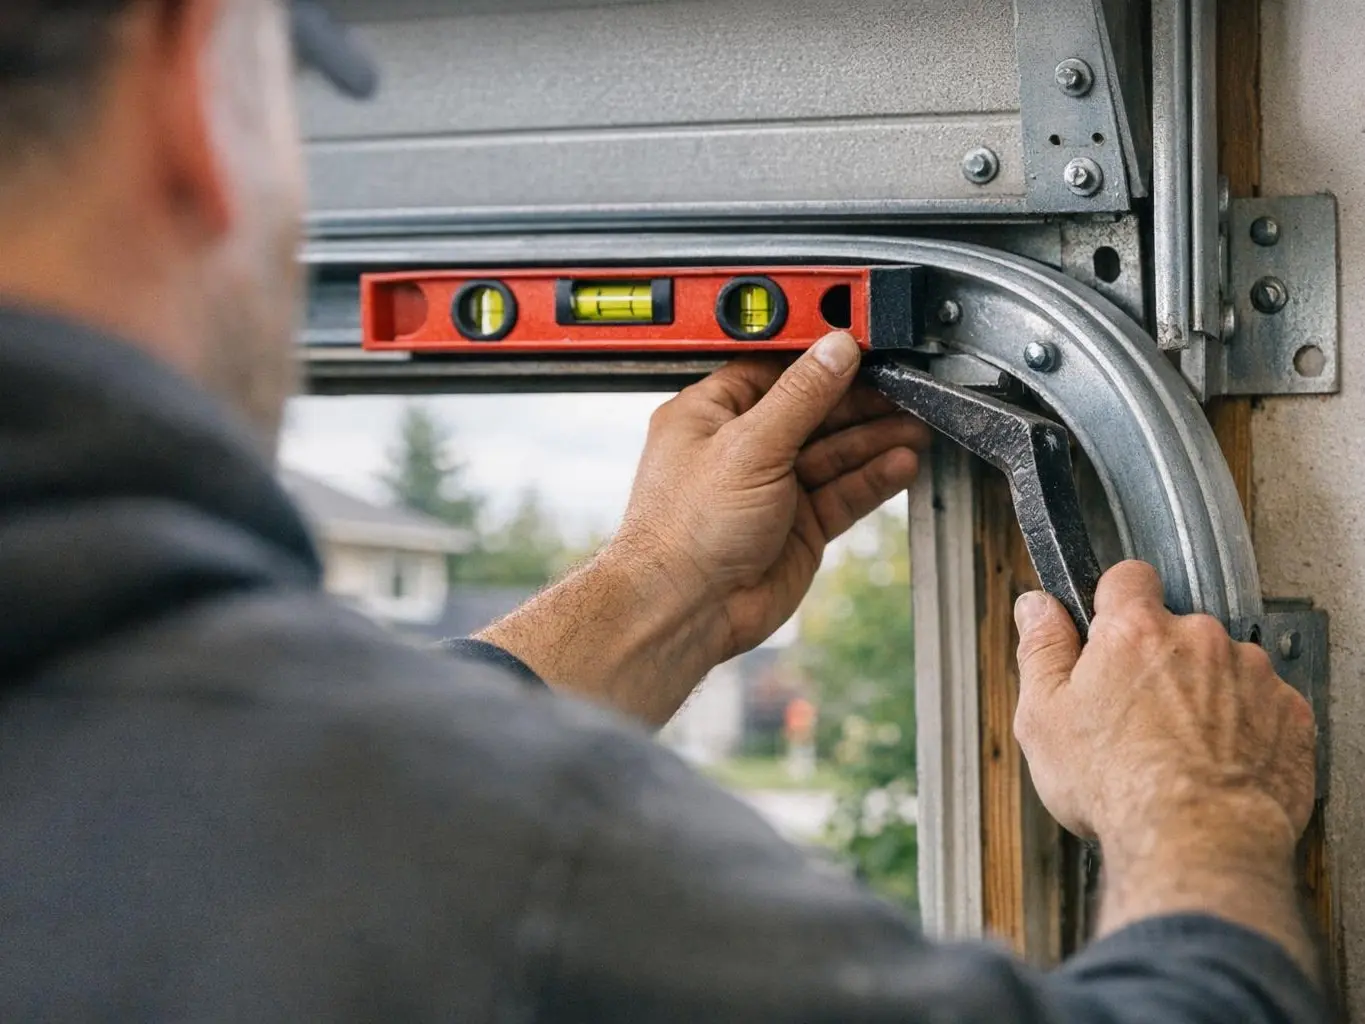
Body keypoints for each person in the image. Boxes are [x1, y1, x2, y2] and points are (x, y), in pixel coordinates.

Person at [0, 1, 1324, 1020]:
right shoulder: (498, 859)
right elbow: (304, 801)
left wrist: (656, 585)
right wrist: (1191, 807)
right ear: (193, 89)